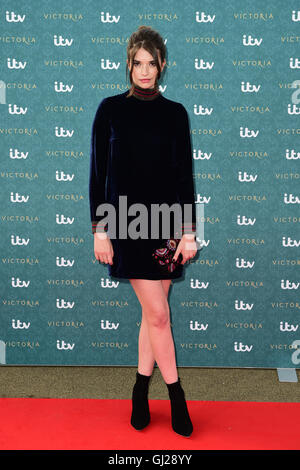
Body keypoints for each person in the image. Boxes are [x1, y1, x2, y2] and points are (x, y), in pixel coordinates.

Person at [89, 25, 197, 437]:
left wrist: (188, 232)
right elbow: (98, 174)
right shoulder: (110, 110)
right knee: (158, 315)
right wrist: (100, 230)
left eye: (152, 63)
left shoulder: (175, 113)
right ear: (129, 65)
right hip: (126, 224)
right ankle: (176, 396)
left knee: (153, 319)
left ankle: (138, 389)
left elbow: (184, 176)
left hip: (166, 225)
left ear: (162, 65)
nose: (145, 71)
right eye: (138, 63)